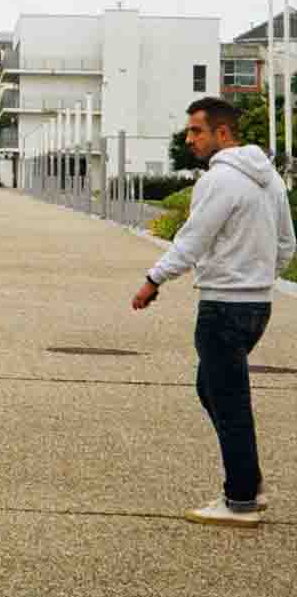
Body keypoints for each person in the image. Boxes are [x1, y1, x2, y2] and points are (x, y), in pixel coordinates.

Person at [132, 96, 295, 527]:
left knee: (229, 401)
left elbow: (192, 240)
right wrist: (259, 277)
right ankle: (249, 481)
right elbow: (286, 245)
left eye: (196, 131)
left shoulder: (219, 180)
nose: (189, 139)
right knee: (212, 389)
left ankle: (240, 499)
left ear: (222, 133)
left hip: (223, 307)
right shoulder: (271, 180)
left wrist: (154, 280)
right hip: (257, 306)